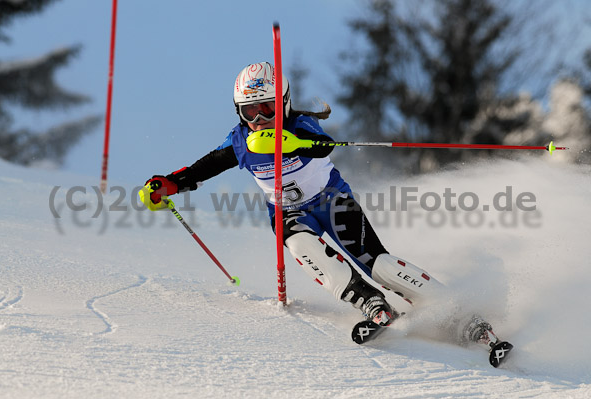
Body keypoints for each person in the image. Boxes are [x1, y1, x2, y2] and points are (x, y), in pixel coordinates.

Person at [142, 62, 500, 347]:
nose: (260, 121)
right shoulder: (239, 141)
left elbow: (323, 145)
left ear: (283, 104)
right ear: (239, 113)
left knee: (377, 263)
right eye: (250, 112)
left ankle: (460, 314)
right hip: (287, 213)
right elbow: (206, 166)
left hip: (332, 200)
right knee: (301, 245)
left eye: (268, 109)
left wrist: (288, 141)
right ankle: (370, 303)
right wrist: (170, 184)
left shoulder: (300, 124)